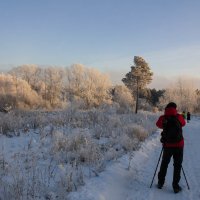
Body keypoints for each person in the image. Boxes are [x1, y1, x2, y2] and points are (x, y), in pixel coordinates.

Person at [156, 102, 186, 193]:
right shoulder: (179, 117)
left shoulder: (163, 118)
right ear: (175, 108)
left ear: (166, 108)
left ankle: (160, 183)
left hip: (167, 145)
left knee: (164, 163)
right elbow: (184, 123)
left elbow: (158, 125)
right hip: (179, 145)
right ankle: (176, 186)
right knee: (177, 165)